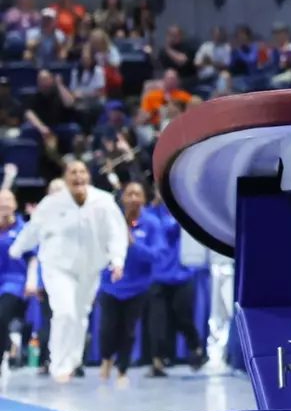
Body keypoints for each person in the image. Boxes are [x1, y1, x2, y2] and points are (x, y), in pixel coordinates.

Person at [8, 159, 129, 382]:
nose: (78, 176)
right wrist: (15, 250)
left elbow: (116, 233)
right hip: (57, 267)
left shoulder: (103, 202)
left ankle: (73, 360)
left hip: (90, 268)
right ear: (66, 178)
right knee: (64, 312)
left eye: (82, 171)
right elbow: (32, 229)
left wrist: (117, 260)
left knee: (80, 315)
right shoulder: (51, 203)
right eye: (73, 172)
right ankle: (58, 365)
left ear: (88, 177)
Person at [96, 181, 155, 386]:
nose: (133, 199)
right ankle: (106, 361)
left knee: (129, 331)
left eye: (137, 194)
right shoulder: (111, 220)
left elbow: (156, 255)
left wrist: (134, 244)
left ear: (144, 199)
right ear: (122, 198)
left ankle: (122, 369)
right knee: (107, 329)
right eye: (129, 194)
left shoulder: (151, 223)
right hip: (110, 285)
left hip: (137, 288)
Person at [143, 195, 205, 375]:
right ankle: (158, 362)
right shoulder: (152, 215)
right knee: (158, 321)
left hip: (182, 276)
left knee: (183, 318)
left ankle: (195, 348)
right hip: (158, 277)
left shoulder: (187, 213)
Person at [0, 187, 30, 369]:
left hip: (15, 282)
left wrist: (33, 280)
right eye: (1, 200)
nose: (4, 204)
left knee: (1, 317)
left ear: (15, 205)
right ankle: (9, 346)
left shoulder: (23, 229)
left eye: (8, 200)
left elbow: (33, 257)